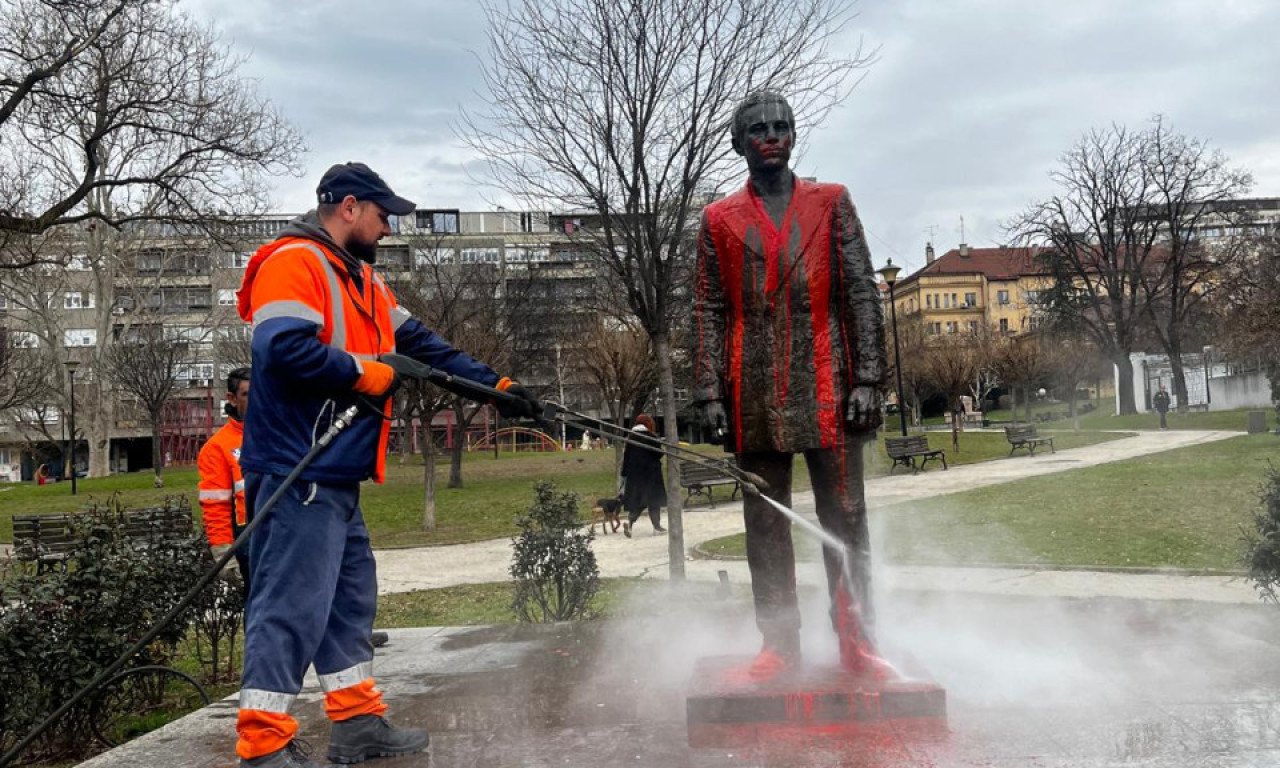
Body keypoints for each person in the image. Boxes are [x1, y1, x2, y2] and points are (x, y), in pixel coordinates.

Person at [232, 162, 540, 768]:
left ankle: (356, 725)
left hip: (336, 474)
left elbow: (426, 349)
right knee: (291, 605)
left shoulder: (366, 283)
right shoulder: (294, 262)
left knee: (349, 603)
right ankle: (263, 745)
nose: (389, 229)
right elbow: (282, 348)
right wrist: (370, 374)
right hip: (300, 467)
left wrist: (500, 388)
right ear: (349, 208)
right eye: (383, 216)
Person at [692, 92, 886, 677]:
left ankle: (857, 637)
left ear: (795, 136)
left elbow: (859, 291)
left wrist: (870, 377)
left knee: (846, 514)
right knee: (766, 520)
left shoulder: (832, 203)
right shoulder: (718, 218)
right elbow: (707, 309)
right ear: (739, 142)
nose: (771, 135)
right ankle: (778, 642)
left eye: (781, 127)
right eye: (758, 129)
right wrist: (707, 392)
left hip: (830, 381)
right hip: (752, 389)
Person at [198, 367, 252, 592]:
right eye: (248, 394)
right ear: (231, 398)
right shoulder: (218, 447)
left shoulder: (282, 434)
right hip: (250, 546)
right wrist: (224, 556)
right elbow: (215, 506)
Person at [620, 414, 667, 537]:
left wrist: (624, 474)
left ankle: (629, 523)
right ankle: (657, 527)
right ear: (648, 424)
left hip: (635, 476)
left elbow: (626, 457)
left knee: (640, 502)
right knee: (654, 501)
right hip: (651, 475)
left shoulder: (630, 438)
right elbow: (659, 454)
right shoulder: (651, 437)